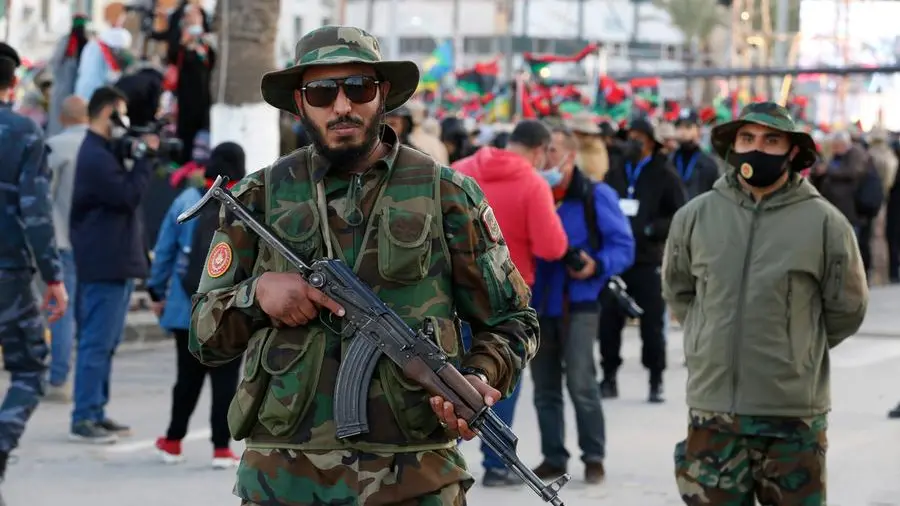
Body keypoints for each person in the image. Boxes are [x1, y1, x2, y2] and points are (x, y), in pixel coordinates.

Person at [189, 25, 538, 505]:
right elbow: (203, 336)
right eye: (321, 92)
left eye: (359, 88)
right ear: (299, 101)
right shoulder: (259, 197)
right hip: (283, 483)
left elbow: (512, 320)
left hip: (416, 481)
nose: (342, 106)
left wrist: (479, 378)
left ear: (383, 94)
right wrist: (257, 295)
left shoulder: (446, 195)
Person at [663, 102, 868, 505]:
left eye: (771, 140)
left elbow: (848, 307)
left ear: (793, 152)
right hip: (713, 410)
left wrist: (797, 346)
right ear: (733, 146)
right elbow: (679, 290)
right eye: (747, 138)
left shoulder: (826, 224)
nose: (757, 148)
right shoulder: (695, 217)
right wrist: (708, 337)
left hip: (791, 416)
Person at [452, 119, 568, 486]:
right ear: (540, 150)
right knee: (500, 375)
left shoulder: (459, 170)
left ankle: (441, 455)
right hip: (506, 301)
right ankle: (497, 464)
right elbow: (552, 247)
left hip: (454, 296)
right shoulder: (533, 184)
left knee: (450, 378)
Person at [529, 126, 634, 484]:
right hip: (538, 305)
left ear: (571, 157)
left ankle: (593, 456)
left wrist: (596, 264)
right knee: (544, 388)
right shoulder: (534, 192)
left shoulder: (595, 194)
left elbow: (623, 246)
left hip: (580, 302)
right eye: (543, 150)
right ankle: (553, 456)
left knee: (581, 382)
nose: (546, 158)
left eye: (553, 151)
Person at [69, 86, 159, 443]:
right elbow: (127, 195)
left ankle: (95, 410)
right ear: (108, 112)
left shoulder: (103, 151)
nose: (126, 122)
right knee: (96, 342)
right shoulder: (94, 155)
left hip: (113, 260)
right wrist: (145, 159)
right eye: (121, 113)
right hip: (103, 262)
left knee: (106, 342)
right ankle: (84, 416)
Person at [150, 142, 246, 468]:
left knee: (187, 378)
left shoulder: (186, 201)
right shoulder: (247, 203)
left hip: (186, 308)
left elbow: (164, 250)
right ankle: (221, 448)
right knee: (226, 379)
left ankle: (173, 442)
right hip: (232, 310)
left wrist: (156, 292)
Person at [0, 50, 68, 497]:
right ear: (11, 87)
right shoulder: (23, 132)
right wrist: (54, 278)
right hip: (7, 276)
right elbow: (36, 212)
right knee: (29, 370)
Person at [599, 117, 686, 403]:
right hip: (616, 260)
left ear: (651, 142)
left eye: (640, 138)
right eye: (631, 137)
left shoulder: (664, 173)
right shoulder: (615, 171)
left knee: (652, 325)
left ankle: (655, 379)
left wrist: (652, 229)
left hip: (648, 260)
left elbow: (679, 213)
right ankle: (609, 376)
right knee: (609, 322)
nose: (634, 143)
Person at [44, 95, 89, 402]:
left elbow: (43, 196)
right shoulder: (103, 147)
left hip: (63, 240)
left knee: (62, 308)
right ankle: (88, 381)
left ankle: (59, 377)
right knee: (91, 312)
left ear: (62, 118)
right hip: (95, 243)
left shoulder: (55, 147)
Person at [672, 109, 719, 200]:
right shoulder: (670, 161)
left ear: (698, 130)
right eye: (679, 127)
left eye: (688, 127)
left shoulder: (709, 163)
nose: (682, 132)